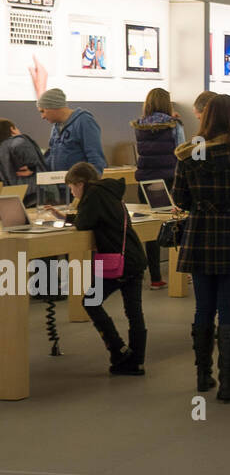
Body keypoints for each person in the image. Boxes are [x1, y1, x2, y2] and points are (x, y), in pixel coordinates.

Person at [172, 94, 230, 403]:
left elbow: (182, 199)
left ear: (207, 117)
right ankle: (227, 382)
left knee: (203, 307)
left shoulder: (191, 153)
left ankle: (203, 376)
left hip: (200, 234)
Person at [66, 161, 149, 375]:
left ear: (81, 183)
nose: (72, 191)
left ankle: (118, 349)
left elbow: (84, 223)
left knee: (91, 302)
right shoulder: (109, 191)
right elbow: (98, 218)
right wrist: (66, 217)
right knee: (134, 312)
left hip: (117, 262)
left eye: (72, 186)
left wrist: (73, 215)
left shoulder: (92, 195)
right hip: (134, 257)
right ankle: (136, 361)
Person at [132, 88, 186, 290]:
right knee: (176, 224)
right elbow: (182, 152)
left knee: (151, 229)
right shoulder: (174, 125)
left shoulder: (140, 125)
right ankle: (181, 274)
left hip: (146, 182)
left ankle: (155, 276)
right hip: (169, 181)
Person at [36, 88, 106, 173]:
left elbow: (96, 158)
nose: (42, 117)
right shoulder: (56, 127)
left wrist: (89, 182)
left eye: (43, 111)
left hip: (78, 184)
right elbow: (51, 157)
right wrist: (34, 169)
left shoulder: (84, 121)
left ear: (54, 107)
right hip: (59, 184)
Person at [0, 117, 46, 204]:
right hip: (33, 192)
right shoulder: (19, 141)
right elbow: (34, 163)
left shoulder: (2, 148)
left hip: (13, 194)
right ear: (12, 129)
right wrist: (33, 168)